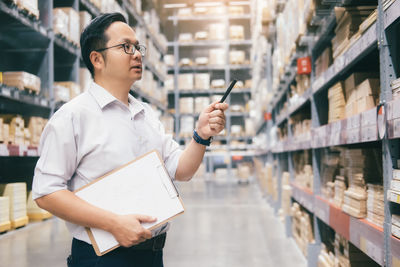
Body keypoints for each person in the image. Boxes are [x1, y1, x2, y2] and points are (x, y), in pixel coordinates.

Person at [32, 12, 228, 267]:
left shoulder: (145, 114)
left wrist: (201, 136)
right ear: (97, 59)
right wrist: (113, 223)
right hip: (102, 259)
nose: (137, 54)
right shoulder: (73, 117)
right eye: (126, 47)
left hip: (152, 255)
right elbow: (47, 192)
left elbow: (181, 170)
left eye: (138, 47)